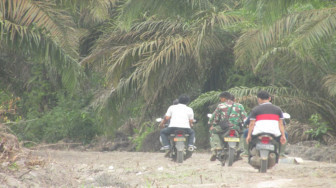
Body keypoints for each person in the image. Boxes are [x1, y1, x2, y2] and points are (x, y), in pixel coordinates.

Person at [208, 91, 247, 161]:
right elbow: (245, 118)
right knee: (244, 133)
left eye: (221, 98)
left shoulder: (221, 106)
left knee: (212, 131)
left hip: (224, 128)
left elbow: (215, 118)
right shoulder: (240, 106)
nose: (220, 100)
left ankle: (217, 146)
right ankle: (240, 148)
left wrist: (212, 124)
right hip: (236, 128)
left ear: (223, 98)